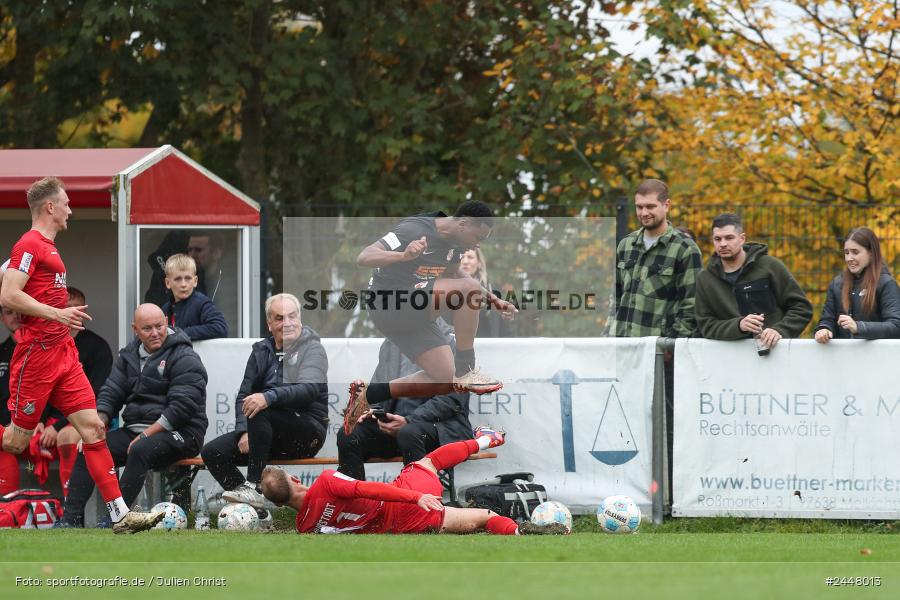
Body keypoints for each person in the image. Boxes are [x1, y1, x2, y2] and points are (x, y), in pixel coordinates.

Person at [0, 176, 163, 533]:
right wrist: (57, 314)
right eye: (66, 203)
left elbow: (11, 281)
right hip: (37, 357)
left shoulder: (44, 247)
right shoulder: (30, 243)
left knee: (93, 428)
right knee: (15, 441)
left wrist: (57, 318)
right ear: (50, 207)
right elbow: (8, 296)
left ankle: (120, 515)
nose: (71, 210)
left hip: (63, 354)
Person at [344, 201, 517, 435]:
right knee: (468, 291)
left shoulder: (455, 244)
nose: (478, 245)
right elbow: (364, 257)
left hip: (413, 313)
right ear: (463, 224)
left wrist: (494, 300)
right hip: (387, 304)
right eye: (479, 237)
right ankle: (467, 368)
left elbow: (457, 274)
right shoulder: (413, 230)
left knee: (444, 379)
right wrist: (403, 255)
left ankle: (367, 394)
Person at [56, 304, 208, 527]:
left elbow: (182, 407)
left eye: (159, 326)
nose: (155, 333)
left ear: (167, 322)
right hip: (136, 431)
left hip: (182, 432)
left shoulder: (184, 356)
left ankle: (115, 520)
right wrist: (97, 424)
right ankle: (70, 520)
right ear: (135, 329)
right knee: (88, 446)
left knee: (139, 449)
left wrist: (146, 435)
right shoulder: (128, 356)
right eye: (147, 328)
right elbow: (111, 392)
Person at [261, 426, 566, 535]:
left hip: (405, 525)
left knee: (486, 518)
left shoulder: (305, 528)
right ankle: (488, 439)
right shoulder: (326, 482)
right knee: (428, 462)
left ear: (281, 504)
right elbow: (368, 488)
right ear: (295, 478)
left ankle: (519, 533)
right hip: (410, 498)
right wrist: (415, 496)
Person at [200, 293, 328, 508]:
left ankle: (254, 486)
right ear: (269, 324)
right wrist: (244, 431)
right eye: (279, 318)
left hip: (307, 432)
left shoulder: (313, 349)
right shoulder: (261, 350)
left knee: (261, 407)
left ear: (300, 319)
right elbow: (244, 395)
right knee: (212, 452)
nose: (287, 323)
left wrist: (268, 397)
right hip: (266, 433)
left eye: (292, 316)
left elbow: (309, 390)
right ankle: (254, 509)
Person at [337, 329, 473, 481]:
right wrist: (372, 411)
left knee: (408, 432)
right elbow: (379, 391)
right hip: (394, 429)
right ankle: (353, 494)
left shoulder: (452, 341)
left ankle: (420, 494)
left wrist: (409, 421)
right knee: (349, 433)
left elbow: (452, 400)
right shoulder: (391, 343)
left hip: (438, 430)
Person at [695, 213, 813, 348]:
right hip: (729, 355)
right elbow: (706, 325)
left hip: (776, 351)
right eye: (717, 239)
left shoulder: (770, 266)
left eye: (729, 238)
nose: (723, 244)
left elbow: (801, 308)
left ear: (742, 239)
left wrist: (779, 330)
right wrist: (738, 326)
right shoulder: (705, 279)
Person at [611, 179, 702, 338]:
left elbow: (692, 306)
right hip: (622, 344)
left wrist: (669, 345)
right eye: (639, 207)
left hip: (658, 347)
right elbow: (616, 298)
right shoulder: (625, 245)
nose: (644, 213)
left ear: (666, 205)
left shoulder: (686, 249)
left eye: (650, 206)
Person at [0, 303, 70, 495]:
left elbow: (52, 391)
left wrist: (40, 422)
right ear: (2, 318)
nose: (16, 316)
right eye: (9, 313)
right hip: (9, 427)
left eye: (20, 311)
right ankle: (7, 507)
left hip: (42, 427)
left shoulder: (46, 347)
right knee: (5, 444)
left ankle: (72, 509)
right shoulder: (2, 351)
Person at [814, 227, 900, 342]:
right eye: (846, 252)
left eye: (855, 252)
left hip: (878, 353)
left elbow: (896, 326)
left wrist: (859, 327)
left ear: (871, 253)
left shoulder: (887, 284)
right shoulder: (836, 284)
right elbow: (827, 320)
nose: (849, 258)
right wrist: (824, 330)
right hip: (843, 353)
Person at [160, 254, 228, 340]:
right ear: (168, 283)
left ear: (195, 281)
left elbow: (220, 328)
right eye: (177, 279)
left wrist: (182, 333)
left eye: (188, 278)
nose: (183, 284)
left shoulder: (201, 303)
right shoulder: (166, 308)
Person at [188, 231, 237, 335]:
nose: (192, 255)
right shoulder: (190, 282)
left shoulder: (231, 285)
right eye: (190, 250)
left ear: (216, 253)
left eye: (198, 250)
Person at [459, 248, 514, 338]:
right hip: (456, 344)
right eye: (462, 257)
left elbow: (504, 330)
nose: (465, 261)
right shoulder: (447, 290)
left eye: (470, 257)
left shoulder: (492, 290)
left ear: (479, 263)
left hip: (487, 345)